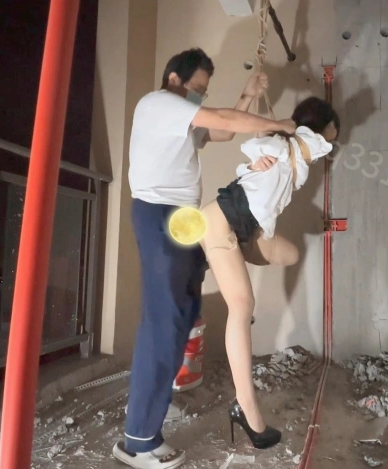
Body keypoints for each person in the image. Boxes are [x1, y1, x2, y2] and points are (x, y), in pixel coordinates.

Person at [114, 48, 296, 469]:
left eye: (204, 92)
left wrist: (247, 96)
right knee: (164, 322)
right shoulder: (158, 103)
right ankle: (138, 442)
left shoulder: (179, 118)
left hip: (182, 219)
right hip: (160, 215)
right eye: (197, 88)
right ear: (174, 80)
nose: (200, 96)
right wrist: (277, 125)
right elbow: (224, 121)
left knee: (182, 315)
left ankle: (148, 420)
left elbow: (220, 132)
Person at [198, 97, 340, 449]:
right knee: (242, 307)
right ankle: (246, 409)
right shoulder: (284, 146)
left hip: (245, 229)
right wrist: (266, 146)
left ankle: (227, 260)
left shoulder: (293, 159)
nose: (328, 146)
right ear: (318, 130)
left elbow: (281, 148)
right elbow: (256, 143)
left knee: (291, 253)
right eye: (330, 135)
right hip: (219, 223)